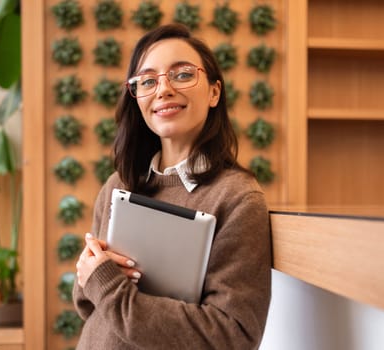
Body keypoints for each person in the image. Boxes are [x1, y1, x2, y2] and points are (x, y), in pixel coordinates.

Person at [73, 23, 271, 349]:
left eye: (181, 75)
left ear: (214, 92)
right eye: (148, 81)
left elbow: (232, 335)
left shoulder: (237, 198)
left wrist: (107, 286)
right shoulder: (118, 185)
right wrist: (88, 272)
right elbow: (90, 306)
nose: (163, 90)